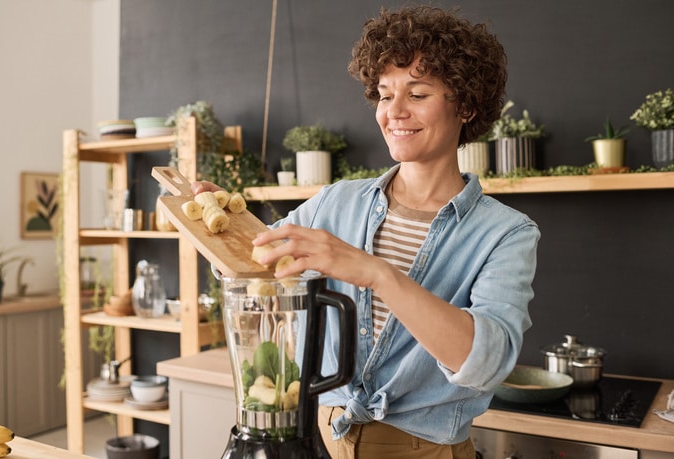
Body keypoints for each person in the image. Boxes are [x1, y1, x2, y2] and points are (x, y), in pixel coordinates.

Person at [193, 5, 539, 458]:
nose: (393, 112)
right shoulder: (336, 202)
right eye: (383, 93)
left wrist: (375, 272)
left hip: (423, 449)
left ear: (468, 105)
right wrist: (220, 220)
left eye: (417, 94)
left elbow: (486, 362)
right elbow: (253, 263)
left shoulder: (505, 233)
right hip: (319, 434)